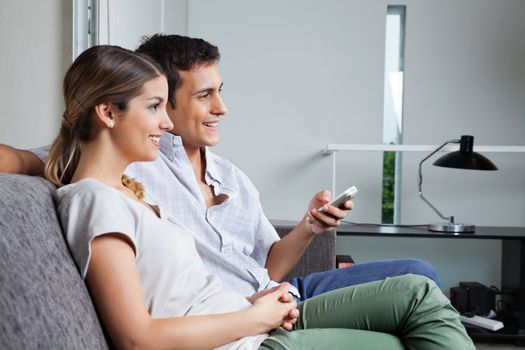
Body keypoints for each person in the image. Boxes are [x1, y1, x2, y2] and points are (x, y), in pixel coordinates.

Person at [45, 44, 474, 350]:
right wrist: (255, 317)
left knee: (416, 290)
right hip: (244, 331)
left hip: (251, 310)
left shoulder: (134, 190)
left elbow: (188, 290)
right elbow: (137, 337)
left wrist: (261, 298)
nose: (165, 122)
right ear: (106, 112)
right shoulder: (102, 195)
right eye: (156, 107)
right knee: (410, 314)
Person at [0, 34, 440, 301]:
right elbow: (27, 159)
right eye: (205, 96)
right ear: (162, 100)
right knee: (419, 282)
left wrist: (308, 226)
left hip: (281, 293)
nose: (222, 108)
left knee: (417, 272)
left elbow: (268, 264)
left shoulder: (231, 177)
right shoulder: (129, 160)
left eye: (220, 91)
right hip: (240, 310)